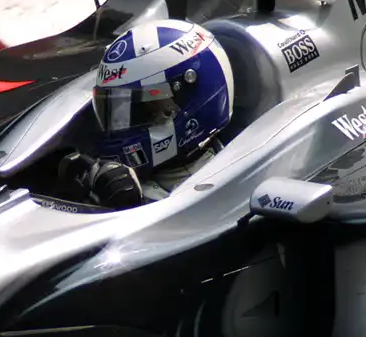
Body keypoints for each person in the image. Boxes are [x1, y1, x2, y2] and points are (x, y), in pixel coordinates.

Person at [58, 19, 235, 209]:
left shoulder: (230, 182)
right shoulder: (108, 180)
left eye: (145, 110)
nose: (121, 125)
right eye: (115, 108)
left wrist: (128, 209)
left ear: (192, 101)